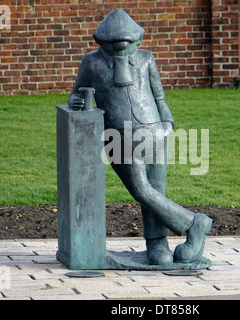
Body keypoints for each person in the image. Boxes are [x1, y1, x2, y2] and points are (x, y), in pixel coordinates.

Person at [68, 9, 212, 265]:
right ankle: (194, 223)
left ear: (136, 40)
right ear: (102, 42)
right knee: (140, 188)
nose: (123, 48)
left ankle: (158, 245)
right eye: (116, 44)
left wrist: (167, 122)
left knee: (156, 189)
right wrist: (77, 101)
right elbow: (75, 93)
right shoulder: (92, 62)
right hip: (116, 135)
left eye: (128, 43)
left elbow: (159, 96)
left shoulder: (145, 58)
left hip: (154, 129)